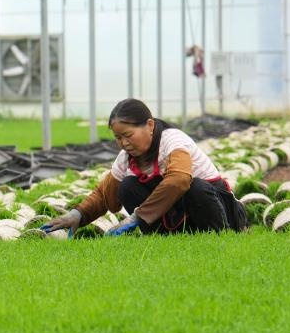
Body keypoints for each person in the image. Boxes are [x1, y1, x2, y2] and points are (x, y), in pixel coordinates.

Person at [45, 98, 247, 237]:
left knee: (195, 186)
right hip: (182, 218)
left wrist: (139, 216)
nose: (124, 143)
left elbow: (179, 180)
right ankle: (165, 238)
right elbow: (105, 194)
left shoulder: (173, 141)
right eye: (118, 137)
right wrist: (77, 215)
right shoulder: (126, 158)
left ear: (150, 125)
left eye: (128, 135)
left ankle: (220, 235)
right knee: (127, 186)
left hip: (220, 211)